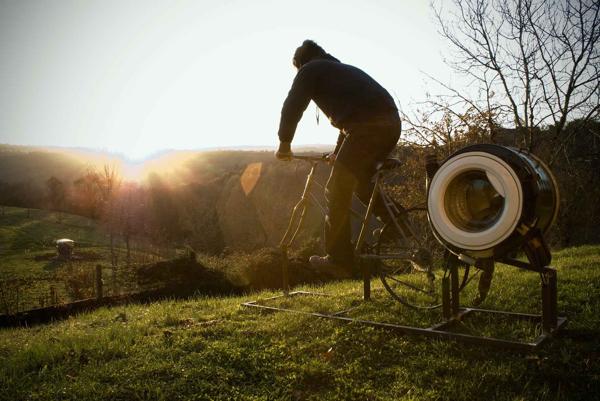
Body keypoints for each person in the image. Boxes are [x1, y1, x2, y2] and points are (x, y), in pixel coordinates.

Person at [276, 39, 401, 272]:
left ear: (301, 63)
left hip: (367, 130)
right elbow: (351, 120)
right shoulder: (339, 70)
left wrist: (285, 142)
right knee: (361, 182)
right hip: (390, 126)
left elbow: (293, 103)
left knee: (334, 189)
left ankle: (339, 258)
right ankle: (398, 224)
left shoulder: (309, 69)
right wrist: (338, 152)